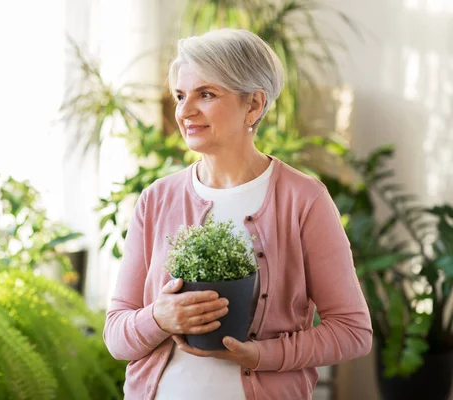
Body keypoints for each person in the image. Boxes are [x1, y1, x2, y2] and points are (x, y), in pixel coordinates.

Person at [103, 28, 372, 400]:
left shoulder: (304, 200)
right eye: (181, 95)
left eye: (207, 94)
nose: (185, 111)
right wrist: (160, 317)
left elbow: (352, 331)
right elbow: (117, 337)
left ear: (254, 105)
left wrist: (262, 355)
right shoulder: (156, 199)